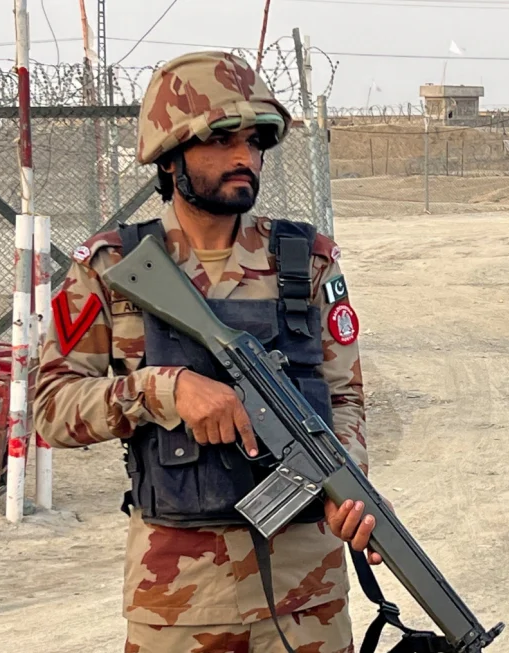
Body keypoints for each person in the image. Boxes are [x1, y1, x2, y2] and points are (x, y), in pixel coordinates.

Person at [34, 51, 377, 653]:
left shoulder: (308, 260)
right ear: (170, 156)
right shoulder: (112, 268)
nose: (245, 158)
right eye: (221, 141)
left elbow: (344, 396)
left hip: (309, 597)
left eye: (255, 141)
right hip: (177, 598)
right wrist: (160, 391)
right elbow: (50, 407)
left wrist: (346, 484)